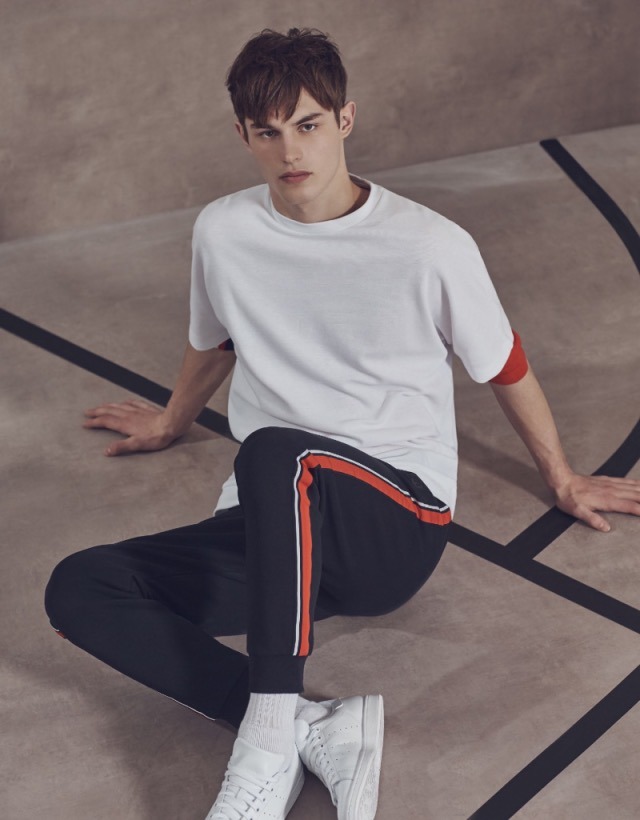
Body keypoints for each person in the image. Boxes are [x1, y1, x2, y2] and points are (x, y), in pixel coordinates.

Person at [44, 27, 640, 820]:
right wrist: (170, 420)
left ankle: (263, 749)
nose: (291, 150)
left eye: (308, 125)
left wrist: (562, 479)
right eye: (268, 132)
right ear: (243, 135)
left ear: (345, 119)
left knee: (276, 452)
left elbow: (504, 364)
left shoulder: (429, 245)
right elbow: (214, 342)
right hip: (273, 527)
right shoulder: (224, 230)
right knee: (80, 585)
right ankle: (309, 723)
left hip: (390, 523)